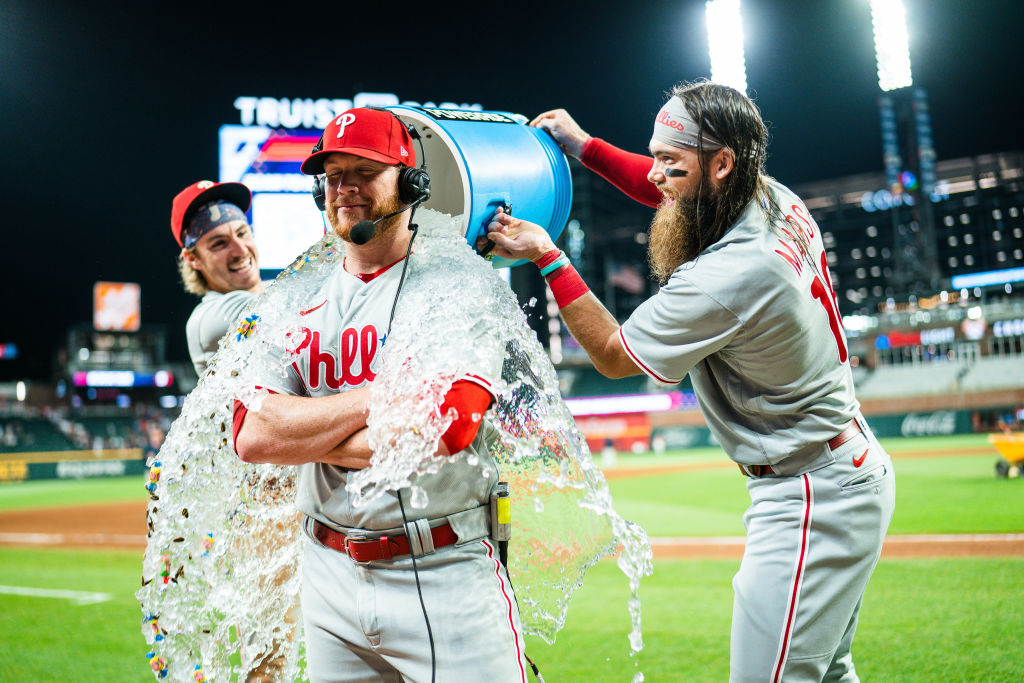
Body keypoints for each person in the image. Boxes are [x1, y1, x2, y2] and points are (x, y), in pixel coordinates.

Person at [488, 81, 896, 682]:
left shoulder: (732, 273)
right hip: (840, 466)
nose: (656, 174)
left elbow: (611, 353)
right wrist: (585, 146)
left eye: (670, 162)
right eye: (655, 155)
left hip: (812, 492)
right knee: (828, 674)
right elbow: (670, 194)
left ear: (722, 163)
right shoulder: (768, 196)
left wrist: (549, 256)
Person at [232, 108, 530, 682]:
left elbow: (447, 426)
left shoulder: (458, 283)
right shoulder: (291, 297)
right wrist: (382, 396)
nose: (344, 188)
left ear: (411, 182)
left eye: (364, 172)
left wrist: (307, 435)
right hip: (326, 573)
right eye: (332, 174)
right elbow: (253, 435)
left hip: (441, 567)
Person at [170, 180, 264, 377]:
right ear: (193, 259)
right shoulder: (209, 319)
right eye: (220, 244)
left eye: (242, 233)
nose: (240, 251)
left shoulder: (273, 289)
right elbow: (291, 299)